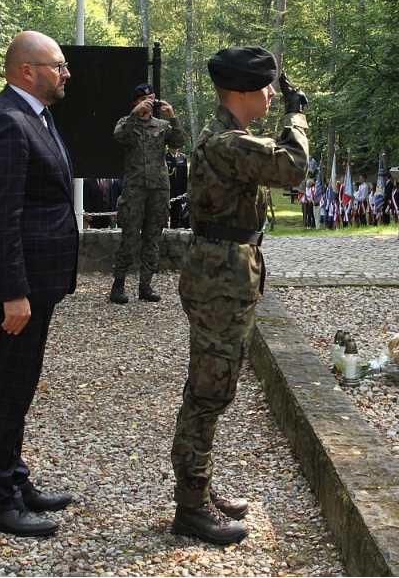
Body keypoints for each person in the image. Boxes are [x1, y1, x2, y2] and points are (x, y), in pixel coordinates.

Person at [172, 46, 308, 546]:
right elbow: (293, 167)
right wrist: (298, 116)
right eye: (268, 86)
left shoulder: (230, 139)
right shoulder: (227, 143)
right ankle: (189, 508)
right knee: (209, 393)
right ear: (245, 91)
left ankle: (198, 491)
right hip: (221, 281)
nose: (273, 94)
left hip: (225, 275)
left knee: (213, 387)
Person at [0, 30, 79, 538]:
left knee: (20, 387)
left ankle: (15, 481)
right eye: (58, 65)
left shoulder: (35, 116)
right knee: (7, 392)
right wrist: (14, 292)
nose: (66, 73)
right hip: (18, 290)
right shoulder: (5, 123)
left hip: (38, 284)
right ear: (25, 70)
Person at [109, 83, 186, 304]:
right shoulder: (126, 123)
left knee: (152, 239)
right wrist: (135, 113)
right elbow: (120, 137)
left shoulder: (161, 126)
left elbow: (178, 141)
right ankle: (118, 285)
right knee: (129, 239)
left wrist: (172, 116)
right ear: (136, 101)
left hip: (159, 189)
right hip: (134, 189)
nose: (150, 104)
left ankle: (145, 286)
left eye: (153, 99)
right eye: (146, 100)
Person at [166, 144, 190, 229]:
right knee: (166, 212)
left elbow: (184, 177)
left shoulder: (182, 157)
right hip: (169, 189)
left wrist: (185, 190)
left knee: (177, 211)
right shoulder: (165, 158)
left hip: (179, 191)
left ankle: (175, 228)